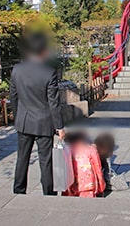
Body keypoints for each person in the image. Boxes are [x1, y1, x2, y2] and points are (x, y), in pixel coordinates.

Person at [10, 32, 64, 195]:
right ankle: (48, 192)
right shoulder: (49, 72)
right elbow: (53, 102)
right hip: (43, 122)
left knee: (22, 158)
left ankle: (19, 190)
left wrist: (17, 116)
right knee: (45, 161)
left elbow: (13, 97)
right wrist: (59, 126)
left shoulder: (17, 70)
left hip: (24, 120)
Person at [63, 131, 106, 197]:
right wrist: (101, 185)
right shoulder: (91, 149)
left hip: (70, 184)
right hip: (88, 183)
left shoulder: (67, 150)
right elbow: (98, 168)